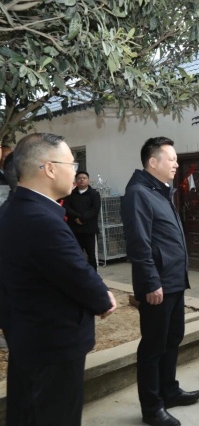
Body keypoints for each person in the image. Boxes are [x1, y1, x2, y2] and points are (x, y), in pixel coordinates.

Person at [0, 132, 116, 426]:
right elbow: (75, 272)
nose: (76, 172)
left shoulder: (13, 209)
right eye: (72, 163)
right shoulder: (40, 218)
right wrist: (103, 298)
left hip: (26, 337)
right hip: (52, 345)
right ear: (50, 168)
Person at [121, 137, 199, 426]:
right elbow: (139, 244)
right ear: (153, 162)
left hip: (173, 281)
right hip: (158, 285)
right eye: (172, 159)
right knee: (153, 346)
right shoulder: (139, 193)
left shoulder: (160, 191)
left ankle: (169, 391)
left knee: (172, 338)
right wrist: (151, 282)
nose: (176, 164)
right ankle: (152, 408)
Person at [63, 170, 102, 270]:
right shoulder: (70, 193)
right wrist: (77, 217)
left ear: (88, 180)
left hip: (89, 229)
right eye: (79, 178)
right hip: (74, 228)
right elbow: (66, 207)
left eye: (84, 178)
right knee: (76, 253)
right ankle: (78, 274)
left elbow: (95, 209)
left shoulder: (94, 194)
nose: (82, 180)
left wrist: (82, 218)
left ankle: (93, 274)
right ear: (76, 180)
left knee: (91, 254)